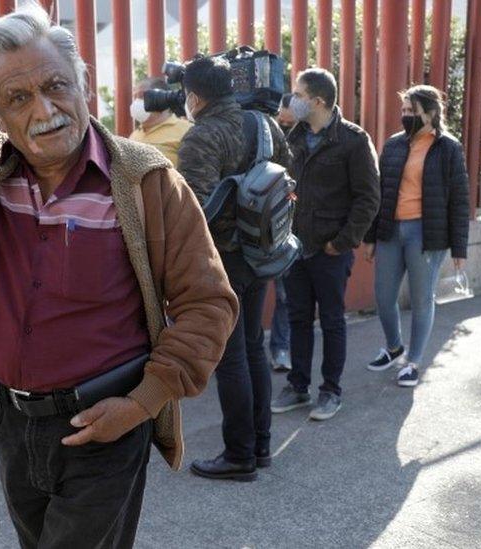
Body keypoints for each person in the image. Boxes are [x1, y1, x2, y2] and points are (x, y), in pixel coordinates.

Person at [0, 6, 238, 547]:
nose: (45, 110)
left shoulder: (146, 181)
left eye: (56, 86)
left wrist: (143, 404)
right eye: (17, 98)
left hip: (108, 424)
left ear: (85, 87)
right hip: (12, 422)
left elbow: (208, 304)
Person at [176, 56, 291, 481]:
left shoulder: (201, 137)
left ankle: (239, 454)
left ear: (194, 96)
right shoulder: (263, 124)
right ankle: (260, 445)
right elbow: (286, 172)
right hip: (262, 253)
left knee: (231, 358)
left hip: (223, 259)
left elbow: (193, 213)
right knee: (252, 347)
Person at [270, 68, 380, 421]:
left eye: (298, 94)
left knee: (332, 320)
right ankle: (298, 385)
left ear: (318, 101)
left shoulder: (353, 140)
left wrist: (342, 242)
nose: (292, 100)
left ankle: (330, 390)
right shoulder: (293, 136)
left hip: (330, 249)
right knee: (298, 317)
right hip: (295, 247)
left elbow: (368, 198)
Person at [363, 85, 470, 387]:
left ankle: (413, 361)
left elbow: (460, 200)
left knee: (422, 299)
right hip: (391, 231)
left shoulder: (448, 148)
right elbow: (380, 195)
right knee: (384, 297)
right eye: (405, 111)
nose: (406, 116)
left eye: (413, 111)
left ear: (431, 113)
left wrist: (460, 249)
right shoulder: (395, 145)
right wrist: (371, 237)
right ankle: (394, 346)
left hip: (427, 233)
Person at [268, 92, 296, 372]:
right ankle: (280, 348)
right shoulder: (269, 134)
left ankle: (283, 348)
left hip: (300, 227)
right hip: (275, 228)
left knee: (288, 297)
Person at [128, 76, 193, 165]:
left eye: (141, 96)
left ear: (160, 97)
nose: (136, 102)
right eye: (134, 97)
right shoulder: (134, 135)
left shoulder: (188, 131)